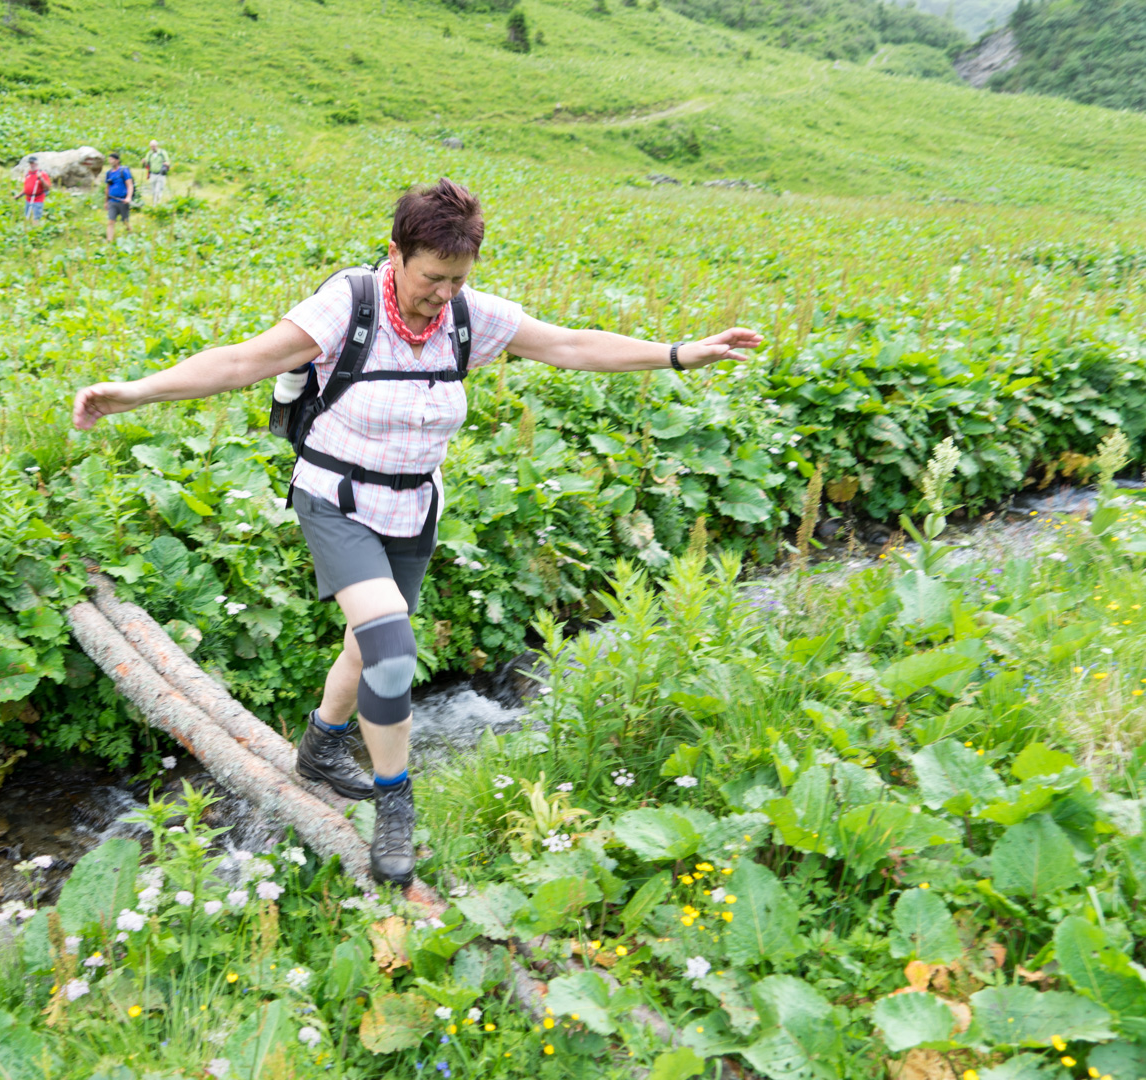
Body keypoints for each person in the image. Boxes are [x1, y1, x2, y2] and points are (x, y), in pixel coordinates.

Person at [72, 179, 760, 886]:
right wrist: (133, 393)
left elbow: (570, 344)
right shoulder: (348, 306)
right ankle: (395, 804)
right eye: (432, 277)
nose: (443, 294)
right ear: (396, 254)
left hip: (412, 508)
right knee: (393, 650)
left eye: (458, 280)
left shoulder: (466, 315)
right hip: (335, 497)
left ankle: (321, 744)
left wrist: (680, 353)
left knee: (367, 643)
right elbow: (243, 360)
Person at [103, 152, 134, 243]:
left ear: (117, 160)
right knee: (110, 221)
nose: (110, 161)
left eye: (112, 159)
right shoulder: (109, 173)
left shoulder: (124, 171)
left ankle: (131, 236)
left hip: (123, 200)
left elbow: (130, 185)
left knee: (125, 222)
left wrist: (128, 197)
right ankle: (109, 241)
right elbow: (107, 188)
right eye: (109, 159)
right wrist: (106, 201)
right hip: (112, 201)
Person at [15, 155, 51, 224]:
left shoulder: (42, 174)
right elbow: (26, 188)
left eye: (33, 163)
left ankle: (35, 228)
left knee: (36, 218)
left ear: (36, 164)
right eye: (30, 163)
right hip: (28, 199)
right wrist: (19, 195)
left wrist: (41, 179)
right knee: (27, 216)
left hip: (37, 200)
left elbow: (48, 187)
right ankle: (28, 227)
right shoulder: (28, 174)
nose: (32, 165)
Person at [142, 140, 171, 206]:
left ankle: (157, 204)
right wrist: (144, 162)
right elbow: (147, 163)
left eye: (154, 146)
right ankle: (154, 204)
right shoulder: (149, 153)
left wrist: (166, 163)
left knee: (158, 190)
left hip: (160, 174)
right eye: (151, 146)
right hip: (152, 174)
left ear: (156, 146)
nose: (153, 148)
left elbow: (168, 162)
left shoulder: (162, 153)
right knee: (153, 191)